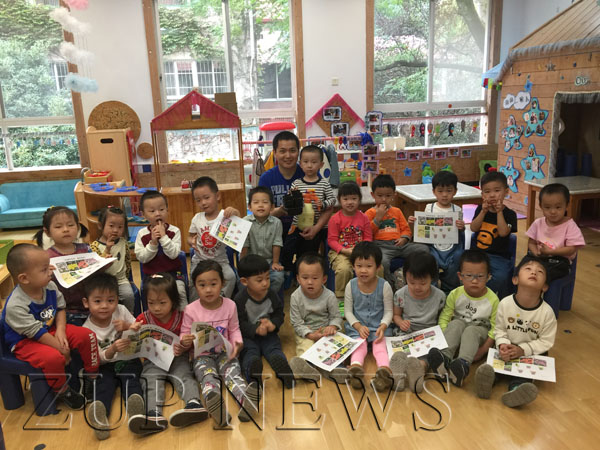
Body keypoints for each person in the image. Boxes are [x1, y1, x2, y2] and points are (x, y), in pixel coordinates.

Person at [1, 244, 98, 410]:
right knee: (53, 358)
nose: (50, 272)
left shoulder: (49, 286)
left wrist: (61, 330)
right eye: (44, 269)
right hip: (25, 341)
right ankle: (62, 390)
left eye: (49, 267)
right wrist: (62, 349)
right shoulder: (15, 305)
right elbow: (36, 333)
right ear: (24, 278)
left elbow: (60, 308)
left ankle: (91, 376)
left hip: (50, 330)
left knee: (87, 335)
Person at [179, 261, 259, 427]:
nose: (208, 289)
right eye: (202, 285)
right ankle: (216, 407)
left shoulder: (230, 305)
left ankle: (246, 401)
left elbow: (234, 329)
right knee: (208, 378)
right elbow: (184, 334)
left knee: (233, 375)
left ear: (222, 283)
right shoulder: (191, 309)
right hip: (202, 356)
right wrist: (185, 340)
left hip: (225, 353)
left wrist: (237, 344)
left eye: (213, 284)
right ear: (195, 287)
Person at [127, 273, 208, 433]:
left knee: (185, 376)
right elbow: (134, 344)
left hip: (178, 357)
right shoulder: (143, 319)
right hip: (154, 359)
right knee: (150, 380)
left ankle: (194, 404)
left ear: (173, 301)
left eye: (162, 303)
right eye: (151, 303)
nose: (156, 308)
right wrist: (132, 333)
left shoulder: (183, 317)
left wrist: (184, 345)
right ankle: (153, 414)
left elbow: (190, 341)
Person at [475, 255, 557, 408]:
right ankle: (486, 383)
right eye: (528, 269)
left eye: (540, 271)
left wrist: (523, 350)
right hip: (506, 348)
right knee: (493, 367)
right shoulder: (505, 303)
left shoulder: (547, 312)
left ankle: (516, 391)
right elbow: (499, 329)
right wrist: (503, 345)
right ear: (515, 279)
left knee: (523, 376)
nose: (534, 272)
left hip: (531, 352)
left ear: (545, 286)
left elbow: (546, 341)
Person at [81, 273, 146, 440]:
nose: (104, 306)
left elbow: (139, 330)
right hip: (105, 365)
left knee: (132, 380)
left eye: (110, 300)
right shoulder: (86, 330)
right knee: (103, 385)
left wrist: (128, 326)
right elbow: (96, 359)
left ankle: (136, 409)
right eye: (97, 301)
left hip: (128, 359)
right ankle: (99, 415)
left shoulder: (121, 311)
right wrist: (111, 350)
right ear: (86, 302)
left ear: (117, 300)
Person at [426, 250, 499, 388]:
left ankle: (463, 364)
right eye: (469, 276)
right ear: (460, 276)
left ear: (488, 277)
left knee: (471, 330)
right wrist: (445, 337)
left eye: (480, 276)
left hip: (478, 334)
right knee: (456, 323)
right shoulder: (455, 294)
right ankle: (444, 358)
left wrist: (483, 350)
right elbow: (444, 317)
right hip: (457, 334)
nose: (474, 281)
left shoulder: (493, 300)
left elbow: (495, 328)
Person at [390, 253, 446, 393]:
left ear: (432, 278)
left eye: (423, 283)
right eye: (412, 282)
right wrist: (401, 322)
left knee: (429, 354)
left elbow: (442, 319)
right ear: (405, 277)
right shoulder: (400, 294)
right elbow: (396, 315)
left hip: (428, 333)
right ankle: (399, 373)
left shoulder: (439, 296)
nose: (417, 287)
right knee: (398, 350)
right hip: (407, 331)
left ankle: (419, 369)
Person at [234, 255, 293, 388]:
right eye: (259, 280)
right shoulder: (240, 299)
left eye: (267, 278)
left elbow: (279, 313)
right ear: (244, 281)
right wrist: (254, 329)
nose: (265, 283)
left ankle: (285, 372)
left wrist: (273, 324)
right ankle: (252, 373)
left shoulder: (271, 294)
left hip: (268, 334)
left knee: (274, 349)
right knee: (249, 352)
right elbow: (239, 323)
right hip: (248, 337)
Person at [288, 252, 346, 383]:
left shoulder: (329, 296)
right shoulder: (295, 297)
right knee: (305, 346)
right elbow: (296, 322)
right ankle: (307, 367)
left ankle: (336, 369)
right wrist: (310, 335)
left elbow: (336, 316)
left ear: (324, 279)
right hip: (306, 331)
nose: (310, 282)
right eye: (305, 277)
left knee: (333, 347)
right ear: (298, 278)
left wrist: (332, 326)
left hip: (326, 330)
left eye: (315, 278)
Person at [345, 242, 395, 392]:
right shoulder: (351, 285)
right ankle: (356, 369)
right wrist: (358, 326)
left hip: (379, 327)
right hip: (358, 327)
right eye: (359, 266)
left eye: (368, 266)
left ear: (378, 267)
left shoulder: (384, 286)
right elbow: (348, 312)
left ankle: (384, 371)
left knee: (380, 345)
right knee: (359, 344)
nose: (363, 270)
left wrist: (383, 326)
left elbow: (389, 312)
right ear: (353, 266)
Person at [365, 174, 428, 289]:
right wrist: (378, 218)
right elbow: (367, 232)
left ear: (394, 195)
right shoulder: (370, 213)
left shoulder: (397, 211)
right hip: (381, 246)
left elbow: (405, 229)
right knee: (382, 262)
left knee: (423, 249)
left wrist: (404, 238)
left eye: (388, 196)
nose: (384, 199)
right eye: (380, 196)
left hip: (400, 244)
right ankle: (389, 285)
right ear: (373, 195)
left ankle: (413, 277)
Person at [408, 171, 465, 293]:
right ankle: (432, 288)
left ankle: (450, 290)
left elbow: (460, 233)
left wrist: (462, 227)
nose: (444, 195)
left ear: (455, 191)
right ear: (434, 191)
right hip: (433, 246)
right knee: (429, 260)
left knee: (457, 258)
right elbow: (423, 230)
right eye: (440, 191)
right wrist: (414, 223)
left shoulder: (457, 209)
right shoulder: (430, 208)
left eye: (449, 191)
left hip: (452, 247)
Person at [282, 145, 335, 271]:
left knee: (307, 253)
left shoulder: (324, 184)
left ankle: (303, 272)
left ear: (321, 165)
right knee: (287, 249)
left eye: (314, 162)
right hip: (296, 224)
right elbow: (290, 202)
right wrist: (292, 197)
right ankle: (290, 271)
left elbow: (333, 200)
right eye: (306, 162)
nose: (309, 166)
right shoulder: (296, 183)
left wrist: (323, 204)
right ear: (300, 164)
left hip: (315, 225)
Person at [35, 206, 91, 322]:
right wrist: (45, 274)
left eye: (70, 225)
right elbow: (38, 284)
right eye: (58, 227)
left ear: (78, 227)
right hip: (63, 311)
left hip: (91, 306)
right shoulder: (46, 257)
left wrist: (105, 263)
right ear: (47, 232)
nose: (66, 229)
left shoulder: (87, 249)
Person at [188, 176, 239, 299]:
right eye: (198, 200)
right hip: (200, 260)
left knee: (231, 277)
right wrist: (191, 241)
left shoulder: (225, 216)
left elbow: (238, 225)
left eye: (206, 198)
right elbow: (190, 237)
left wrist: (235, 212)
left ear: (217, 196)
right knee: (194, 280)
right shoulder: (197, 218)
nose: (203, 203)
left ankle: (222, 301)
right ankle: (195, 305)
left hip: (220, 261)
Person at [470, 172, 518, 299]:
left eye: (497, 190)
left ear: (506, 192)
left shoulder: (510, 214)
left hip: (498, 256)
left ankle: (485, 296)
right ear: (482, 195)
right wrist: (483, 212)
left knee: (501, 277)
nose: (492, 195)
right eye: (487, 191)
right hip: (477, 254)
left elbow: (503, 232)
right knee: (467, 273)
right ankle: (474, 295)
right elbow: (473, 228)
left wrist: (499, 212)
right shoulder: (480, 209)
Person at [135, 190, 187, 306]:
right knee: (152, 295)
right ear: (143, 214)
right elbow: (142, 258)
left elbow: (173, 254)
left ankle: (184, 315)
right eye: (152, 211)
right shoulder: (142, 234)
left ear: (167, 210)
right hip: (151, 276)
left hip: (173, 274)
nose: (158, 214)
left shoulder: (174, 231)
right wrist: (153, 243)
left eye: (162, 209)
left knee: (180, 291)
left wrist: (163, 237)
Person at [526, 183, 585, 282]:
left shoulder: (570, 226)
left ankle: (541, 290)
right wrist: (536, 253)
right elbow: (531, 242)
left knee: (543, 275)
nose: (553, 211)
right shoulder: (538, 223)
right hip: (539, 258)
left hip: (560, 261)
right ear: (541, 206)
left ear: (567, 206)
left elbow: (571, 249)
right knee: (520, 271)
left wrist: (551, 252)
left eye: (558, 207)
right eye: (547, 207)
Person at [327, 181, 373, 299]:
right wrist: (345, 250)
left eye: (354, 198)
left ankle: (371, 294)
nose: (350, 202)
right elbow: (331, 241)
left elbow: (368, 238)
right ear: (339, 200)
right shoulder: (335, 219)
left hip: (361, 252)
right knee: (344, 269)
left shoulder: (364, 218)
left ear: (359, 199)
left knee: (376, 268)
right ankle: (340, 297)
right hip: (340, 253)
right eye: (346, 199)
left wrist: (362, 250)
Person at [258, 130, 304, 239]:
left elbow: (326, 207)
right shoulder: (266, 178)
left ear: (298, 152)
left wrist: (316, 228)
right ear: (275, 153)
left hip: (304, 232)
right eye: (282, 151)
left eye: (292, 150)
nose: (288, 156)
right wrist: (279, 211)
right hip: (274, 235)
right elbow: (259, 214)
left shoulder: (308, 174)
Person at [90, 206, 135, 313]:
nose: (115, 230)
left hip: (120, 280)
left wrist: (128, 278)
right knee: (105, 300)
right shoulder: (94, 246)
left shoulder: (123, 242)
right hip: (103, 282)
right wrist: (107, 249)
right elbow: (96, 268)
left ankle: (129, 317)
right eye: (111, 226)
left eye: (120, 227)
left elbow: (127, 261)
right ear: (100, 225)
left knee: (129, 295)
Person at [241, 186, 284, 295]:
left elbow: (277, 243)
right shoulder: (244, 222)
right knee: (241, 280)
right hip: (250, 262)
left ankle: (267, 298)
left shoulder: (277, 223)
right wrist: (242, 266)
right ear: (250, 207)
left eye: (265, 202)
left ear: (272, 207)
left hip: (269, 261)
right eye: (256, 202)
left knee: (278, 277)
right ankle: (249, 298)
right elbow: (244, 246)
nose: (260, 205)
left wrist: (275, 262)